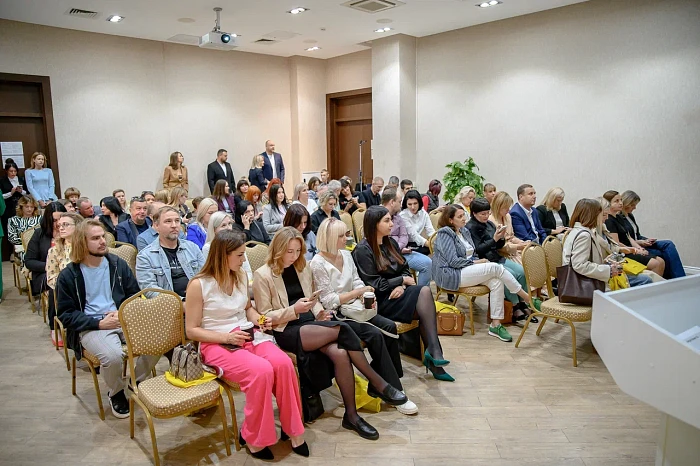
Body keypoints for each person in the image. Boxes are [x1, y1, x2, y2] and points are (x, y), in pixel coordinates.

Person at [254, 227, 407, 441]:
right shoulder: (262, 274)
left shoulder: (302, 267)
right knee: (343, 328)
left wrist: (319, 313)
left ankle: (351, 416)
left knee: (341, 353)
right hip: (285, 328)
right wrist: (294, 310)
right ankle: (378, 382)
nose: (294, 256)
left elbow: (313, 299)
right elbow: (265, 315)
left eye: (297, 251)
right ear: (278, 249)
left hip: (310, 324)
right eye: (289, 251)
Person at [186, 230, 306, 460]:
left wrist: (260, 319)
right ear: (223, 255)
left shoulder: (240, 275)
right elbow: (191, 330)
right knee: (261, 371)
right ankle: (253, 437)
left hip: (247, 334)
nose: (244, 260)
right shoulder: (198, 285)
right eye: (240, 255)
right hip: (216, 342)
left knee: (283, 364)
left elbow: (247, 309)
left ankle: (293, 430)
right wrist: (226, 338)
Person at [311, 218, 417, 415]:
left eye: (346, 234)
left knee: (390, 327)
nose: (346, 239)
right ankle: (393, 388)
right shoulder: (317, 263)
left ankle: (389, 381)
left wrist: (366, 295)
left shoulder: (345, 254)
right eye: (342, 236)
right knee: (377, 334)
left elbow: (357, 280)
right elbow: (329, 301)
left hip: (356, 307)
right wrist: (358, 292)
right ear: (330, 238)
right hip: (338, 314)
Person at [57, 220, 160, 419]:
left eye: (103, 236)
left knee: (158, 339)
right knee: (112, 356)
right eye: (95, 238)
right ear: (82, 242)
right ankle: (116, 392)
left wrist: (121, 312)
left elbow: (134, 295)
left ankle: (136, 382)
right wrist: (98, 323)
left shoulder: (117, 265)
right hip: (91, 326)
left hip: (121, 318)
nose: (103, 241)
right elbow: (66, 314)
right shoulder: (69, 275)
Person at [353, 206, 453, 382]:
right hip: (381, 301)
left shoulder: (390, 243)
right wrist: (401, 281)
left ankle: (434, 354)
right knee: (424, 298)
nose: (392, 224)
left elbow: (405, 270)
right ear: (374, 224)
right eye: (387, 221)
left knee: (424, 299)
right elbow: (374, 285)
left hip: (398, 295)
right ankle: (434, 356)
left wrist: (402, 285)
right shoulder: (362, 250)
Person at [432, 204, 538, 342]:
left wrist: (477, 261)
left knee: (496, 282)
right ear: (450, 220)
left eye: (464, 215)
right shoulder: (445, 234)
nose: (464, 218)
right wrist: (477, 263)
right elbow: (453, 261)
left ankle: (496, 324)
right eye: (460, 216)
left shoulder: (464, 231)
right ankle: (527, 298)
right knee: (495, 267)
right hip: (452, 273)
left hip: (466, 269)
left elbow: (473, 253)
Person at [467, 198, 533, 321]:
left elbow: (498, 246)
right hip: (483, 261)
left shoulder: (489, 224)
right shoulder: (470, 228)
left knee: (521, 271)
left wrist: (501, 237)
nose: (486, 216)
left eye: (488, 213)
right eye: (482, 214)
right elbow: (478, 249)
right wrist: (494, 239)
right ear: (474, 213)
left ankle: (522, 302)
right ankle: (514, 306)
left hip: (496, 257)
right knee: (510, 274)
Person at [136, 206, 204, 299]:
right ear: (156, 226)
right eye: (168, 221)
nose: (174, 225)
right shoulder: (145, 256)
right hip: (168, 305)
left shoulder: (192, 248)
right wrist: (180, 302)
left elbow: (206, 276)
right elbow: (150, 289)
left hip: (198, 299)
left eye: (177, 221)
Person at [620, 190, 685, 279]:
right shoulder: (619, 219)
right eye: (633, 205)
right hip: (634, 246)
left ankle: (680, 278)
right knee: (662, 253)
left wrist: (646, 240)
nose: (635, 208)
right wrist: (641, 243)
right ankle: (677, 279)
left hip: (640, 242)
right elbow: (626, 240)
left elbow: (636, 235)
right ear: (626, 203)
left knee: (668, 244)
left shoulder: (630, 216)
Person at [603, 190, 665, 277]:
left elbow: (629, 237)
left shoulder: (619, 217)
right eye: (616, 201)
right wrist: (634, 250)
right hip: (624, 253)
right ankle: (651, 285)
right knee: (656, 264)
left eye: (621, 200)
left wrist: (639, 248)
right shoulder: (609, 220)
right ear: (608, 203)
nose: (620, 203)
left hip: (631, 249)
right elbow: (616, 243)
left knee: (661, 261)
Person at [563, 199, 624, 288]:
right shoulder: (584, 235)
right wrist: (608, 270)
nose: (605, 218)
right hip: (583, 287)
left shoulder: (577, 230)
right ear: (593, 215)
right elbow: (579, 265)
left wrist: (604, 262)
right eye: (601, 214)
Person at [597, 197, 655, 287]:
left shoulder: (604, 227)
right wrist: (608, 269)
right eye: (605, 215)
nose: (621, 203)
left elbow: (613, 245)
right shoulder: (588, 234)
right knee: (648, 278)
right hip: (606, 271)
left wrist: (627, 249)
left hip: (612, 264)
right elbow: (581, 265)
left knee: (654, 269)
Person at [382, 188, 432, 287]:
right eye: (400, 201)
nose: (401, 205)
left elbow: (404, 236)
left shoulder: (397, 216)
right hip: (386, 253)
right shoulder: (379, 215)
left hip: (401, 251)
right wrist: (396, 249)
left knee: (428, 263)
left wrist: (398, 248)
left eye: (415, 203)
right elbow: (382, 239)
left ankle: (421, 292)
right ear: (392, 202)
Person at [489, 191, 528, 264]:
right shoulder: (490, 221)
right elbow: (498, 246)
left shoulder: (507, 216)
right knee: (524, 266)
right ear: (498, 206)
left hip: (513, 251)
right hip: (502, 254)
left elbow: (511, 237)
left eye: (509, 207)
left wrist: (521, 242)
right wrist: (517, 246)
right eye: (505, 207)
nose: (508, 210)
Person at [399, 189, 435, 255]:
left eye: (415, 203)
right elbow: (413, 235)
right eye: (409, 204)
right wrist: (430, 245)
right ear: (406, 204)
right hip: (406, 244)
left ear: (419, 203)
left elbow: (430, 231)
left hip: (418, 243)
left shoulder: (423, 213)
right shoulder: (403, 216)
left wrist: (436, 241)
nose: (413, 207)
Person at [7, 195, 41, 265]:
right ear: (21, 207)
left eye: (32, 207)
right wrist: (26, 242)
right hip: (22, 247)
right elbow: (11, 237)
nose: (29, 209)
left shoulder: (40, 219)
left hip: (39, 246)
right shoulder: (13, 220)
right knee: (26, 256)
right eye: (26, 207)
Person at [1, 159, 27, 243]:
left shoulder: (21, 179)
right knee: (10, 229)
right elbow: (1, 196)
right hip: (8, 207)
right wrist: (10, 193)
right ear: (6, 171)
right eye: (11, 171)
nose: (13, 173)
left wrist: (21, 191)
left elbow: (27, 193)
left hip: (21, 205)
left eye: (15, 171)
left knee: (22, 227)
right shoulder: (2, 181)